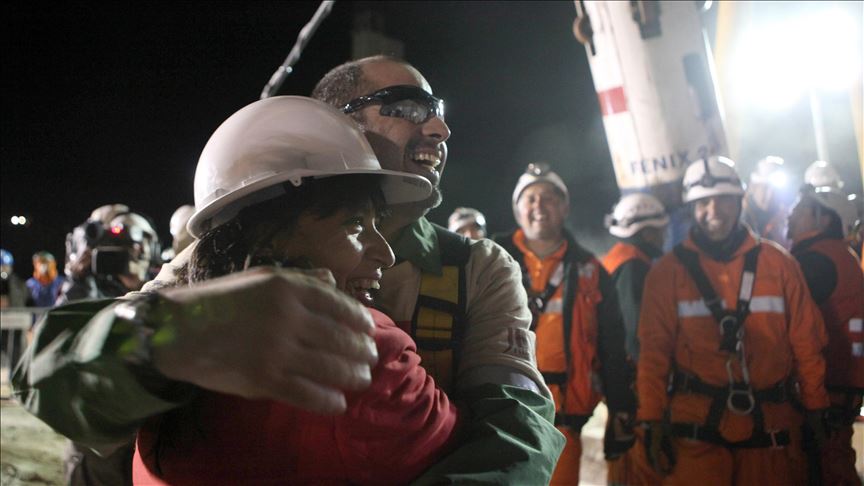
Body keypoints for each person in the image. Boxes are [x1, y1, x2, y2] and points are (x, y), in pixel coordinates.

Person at [14, 55, 564, 484]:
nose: (439, 129)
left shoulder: (477, 269)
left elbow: (519, 430)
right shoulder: (211, 267)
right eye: (408, 107)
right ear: (333, 122)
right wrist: (168, 334)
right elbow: (50, 378)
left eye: (439, 110)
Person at [120, 96, 459, 484]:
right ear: (267, 238)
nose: (385, 253)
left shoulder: (154, 346)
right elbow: (466, 452)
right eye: (354, 224)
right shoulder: (371, 352)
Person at [637, 156, 830, 485]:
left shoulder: (779, 265)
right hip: (697, 433)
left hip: (770, 430)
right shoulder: (667, 273)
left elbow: (806, 343)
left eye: (723, 200)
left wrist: (815, 407)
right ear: (691, 208)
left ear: (740, 201)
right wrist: (652, 419)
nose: (713, 212)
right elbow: (654, 354)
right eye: (702, 203)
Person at [493, 163, 635, 485]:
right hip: (502, 416)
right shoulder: (491, 258)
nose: (539, 207)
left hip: (565, 420)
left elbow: (612, 343)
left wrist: (621, 405)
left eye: (549, 198)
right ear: (517, 210)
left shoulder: (590, 269)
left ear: (565, 207)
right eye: (530, 199)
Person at [787, 184, 863, 486]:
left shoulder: (814, 261)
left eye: (801, 208)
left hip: (827, 383)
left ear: (824, 219)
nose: (791, 213)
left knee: (826, 468)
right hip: (840, 381)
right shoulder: (835, 254)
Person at [602, 192, 668, 486]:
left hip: (622, 378)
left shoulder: (621, 258)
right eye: (660, 228)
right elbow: (636, 333)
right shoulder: (633, 266)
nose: (664, 234)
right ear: (647, 230)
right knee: (639, 462)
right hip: (636, 383)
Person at [57, 211, 161, 305]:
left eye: (131, 243)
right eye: (118, 243)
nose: (135, 250)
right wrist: (77, 281)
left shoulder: (165, 280)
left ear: (152, 249)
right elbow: (60, 318)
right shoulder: (98, 289)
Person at [742, 156, 792, 247]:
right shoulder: (739, 218)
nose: (770, 195)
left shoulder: (787, 220)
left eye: (775, 190)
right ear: (752, 187)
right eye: (765, 188)